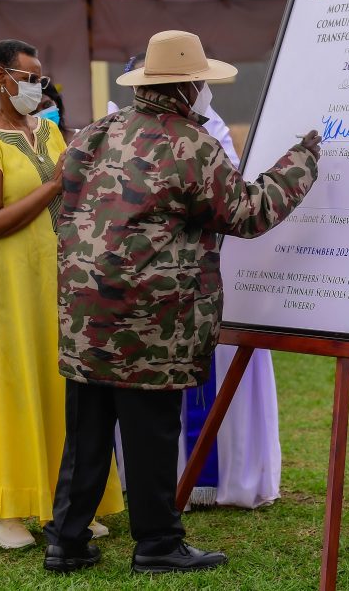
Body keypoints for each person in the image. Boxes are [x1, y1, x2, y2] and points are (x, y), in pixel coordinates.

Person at [43, 30, 320, 574]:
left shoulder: (98, 132)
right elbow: (248, 213)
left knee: (88, 430)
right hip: (152, 318)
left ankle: (67, 541)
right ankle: (157, 544)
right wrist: (300, 162)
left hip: (85, 310)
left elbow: (62, 207)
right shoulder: (189, 143)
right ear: (191, 86)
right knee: (150, 432)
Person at [0, 39, 124, 549]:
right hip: (5, 286)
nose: (38, 86)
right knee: (11, 386)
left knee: (57, 387)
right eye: (29, 77)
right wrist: (57, 184)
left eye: (41, 78)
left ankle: (65, 503)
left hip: (54, 279)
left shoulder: (46, 130)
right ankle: (7, 508)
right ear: (2, 77)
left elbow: (77, 190)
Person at [113, 53, 283, 510]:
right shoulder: (141, 132)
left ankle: (219, 476)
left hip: (192, 273)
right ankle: (166, 486)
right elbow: (242, 207)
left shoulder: (211, 130)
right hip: (164, 281)